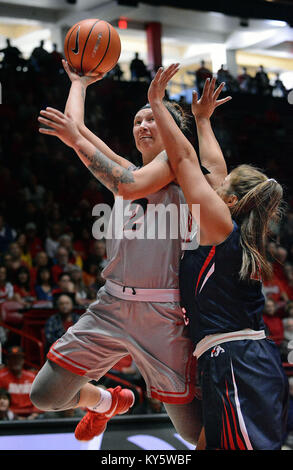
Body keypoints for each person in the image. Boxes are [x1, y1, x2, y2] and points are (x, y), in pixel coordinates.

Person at [30, 60, 230, 448]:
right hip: (111, 305)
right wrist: (79, 84)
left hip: (164, 315)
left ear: (173, 130)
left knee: (192, 432)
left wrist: (202, 121)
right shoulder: (124, 169)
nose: (142, 125)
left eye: (151, 118)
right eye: (137, 120)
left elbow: (133, 184)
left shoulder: (179, 172)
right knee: (46, 396)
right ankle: (105, 401)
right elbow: (80, 131)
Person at [147, 63, 289, 450]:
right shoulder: (236, 229)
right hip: (239, 358)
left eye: (220, 186)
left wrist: (158, 106)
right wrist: (203, 120)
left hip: (236, 362)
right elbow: (213, 167)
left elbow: (190, 163)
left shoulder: (219, 225)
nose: (215, 179)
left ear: (228, 200)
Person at [0, 346, 39, 418]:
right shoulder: (1, 376)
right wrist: (14, 416)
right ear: (8, 360)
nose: (16, 361)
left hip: (31, 414)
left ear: (23, 360)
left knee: (51, 415)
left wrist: (35, 414)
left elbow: (39, 398)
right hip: (9, 414)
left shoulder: (32, 377)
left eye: (18, 358)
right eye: (13, 358)